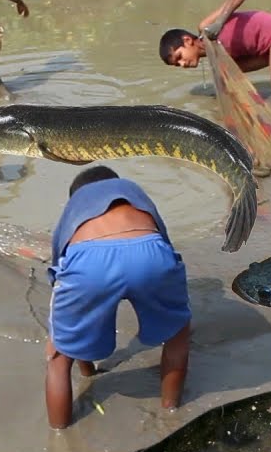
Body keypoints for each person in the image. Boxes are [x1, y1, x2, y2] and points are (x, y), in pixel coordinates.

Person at [44, 165, 191, 430]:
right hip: (148, 251)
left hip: (89, 262)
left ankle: (60, 435)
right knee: (178, 332)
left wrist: (83, 364)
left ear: (76, 194)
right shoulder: (132, 191)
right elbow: (164, 241)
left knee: (59, 357)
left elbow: (59, 266)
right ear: (115, 184)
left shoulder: (76, 204)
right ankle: (171, 411)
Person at [158, 0, 271, 134]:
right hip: (264, 52)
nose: (182, 64)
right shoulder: (217, 59)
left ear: (187, 40)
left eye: (179, 57)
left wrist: (219, 23)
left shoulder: (205, 28)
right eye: (177, 64)